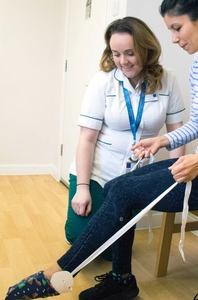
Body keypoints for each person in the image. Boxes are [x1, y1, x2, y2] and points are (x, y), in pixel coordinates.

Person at [5, 1, 198, 300]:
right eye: (169, 30)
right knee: (115, 187)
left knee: (123, 193)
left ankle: (55, 274)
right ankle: (121, 279)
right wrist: (163, 141)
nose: (173, 38)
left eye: (177, 28)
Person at [64, 15, 186, 259]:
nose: (122, 61)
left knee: (113, 250)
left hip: (135, 177)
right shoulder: (102, 82)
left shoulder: (167, 79)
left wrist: (175, 176)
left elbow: (177, 133)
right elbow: (86, 140)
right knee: (82, 241)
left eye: (130, 53)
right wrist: (82, 188)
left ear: (146, 49)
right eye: (115, 54)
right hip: (98, 173)